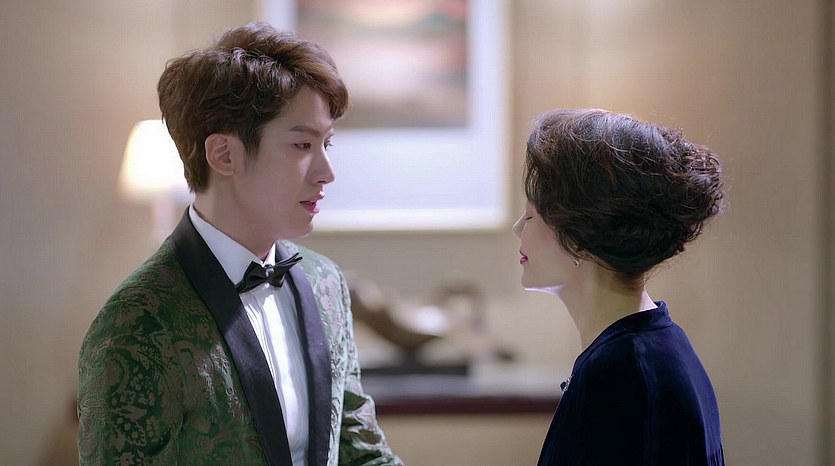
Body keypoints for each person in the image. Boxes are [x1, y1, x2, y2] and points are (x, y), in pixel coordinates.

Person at [77, 22, 402, 466]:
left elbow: (361, 453)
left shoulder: (325, 283)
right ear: (223, 154)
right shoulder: (136, 323)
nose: (327, 172)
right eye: (302, 144)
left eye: (327, 143)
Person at [513, 109, 726, 465]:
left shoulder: (620, 373)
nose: (518, 228)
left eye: (531, 215)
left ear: (579, 237)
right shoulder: (654, 346)